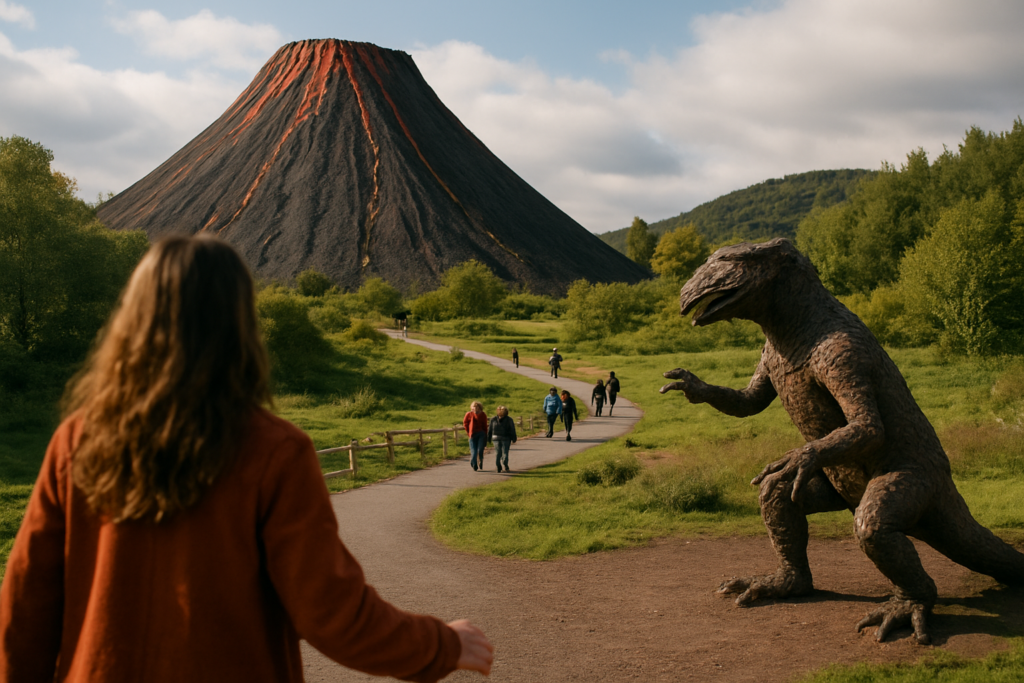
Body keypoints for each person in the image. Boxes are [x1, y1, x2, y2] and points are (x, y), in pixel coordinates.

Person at [0, 235, 493, 682]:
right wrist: (441, 644)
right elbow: (331, 612)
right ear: (239, 324)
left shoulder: (77, 440)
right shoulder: (273, 451)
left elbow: (24, 607)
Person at [487, 406, 517, 473]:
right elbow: (512, 429)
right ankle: (503, 465)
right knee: (503, 452)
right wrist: (514, 438)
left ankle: (500, 465)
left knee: (499, 453)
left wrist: (488, 438)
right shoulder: (508, 419)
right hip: (502, 438)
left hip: (499, 438)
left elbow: (490, 429)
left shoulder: (494, 419)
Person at [463, 401, 489, 471]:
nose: (475, 408)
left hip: (481, 434)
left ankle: (480, 459)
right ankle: (474, 463)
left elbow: (485, 425)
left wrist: (486, 434)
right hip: (472, 434)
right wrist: (468, 433)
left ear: (479, 407)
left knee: (480, 449)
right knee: (474, 451)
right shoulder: (469, 414)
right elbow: (465, 423)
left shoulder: (483, 414)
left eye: (476, 406)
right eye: (473, 406)